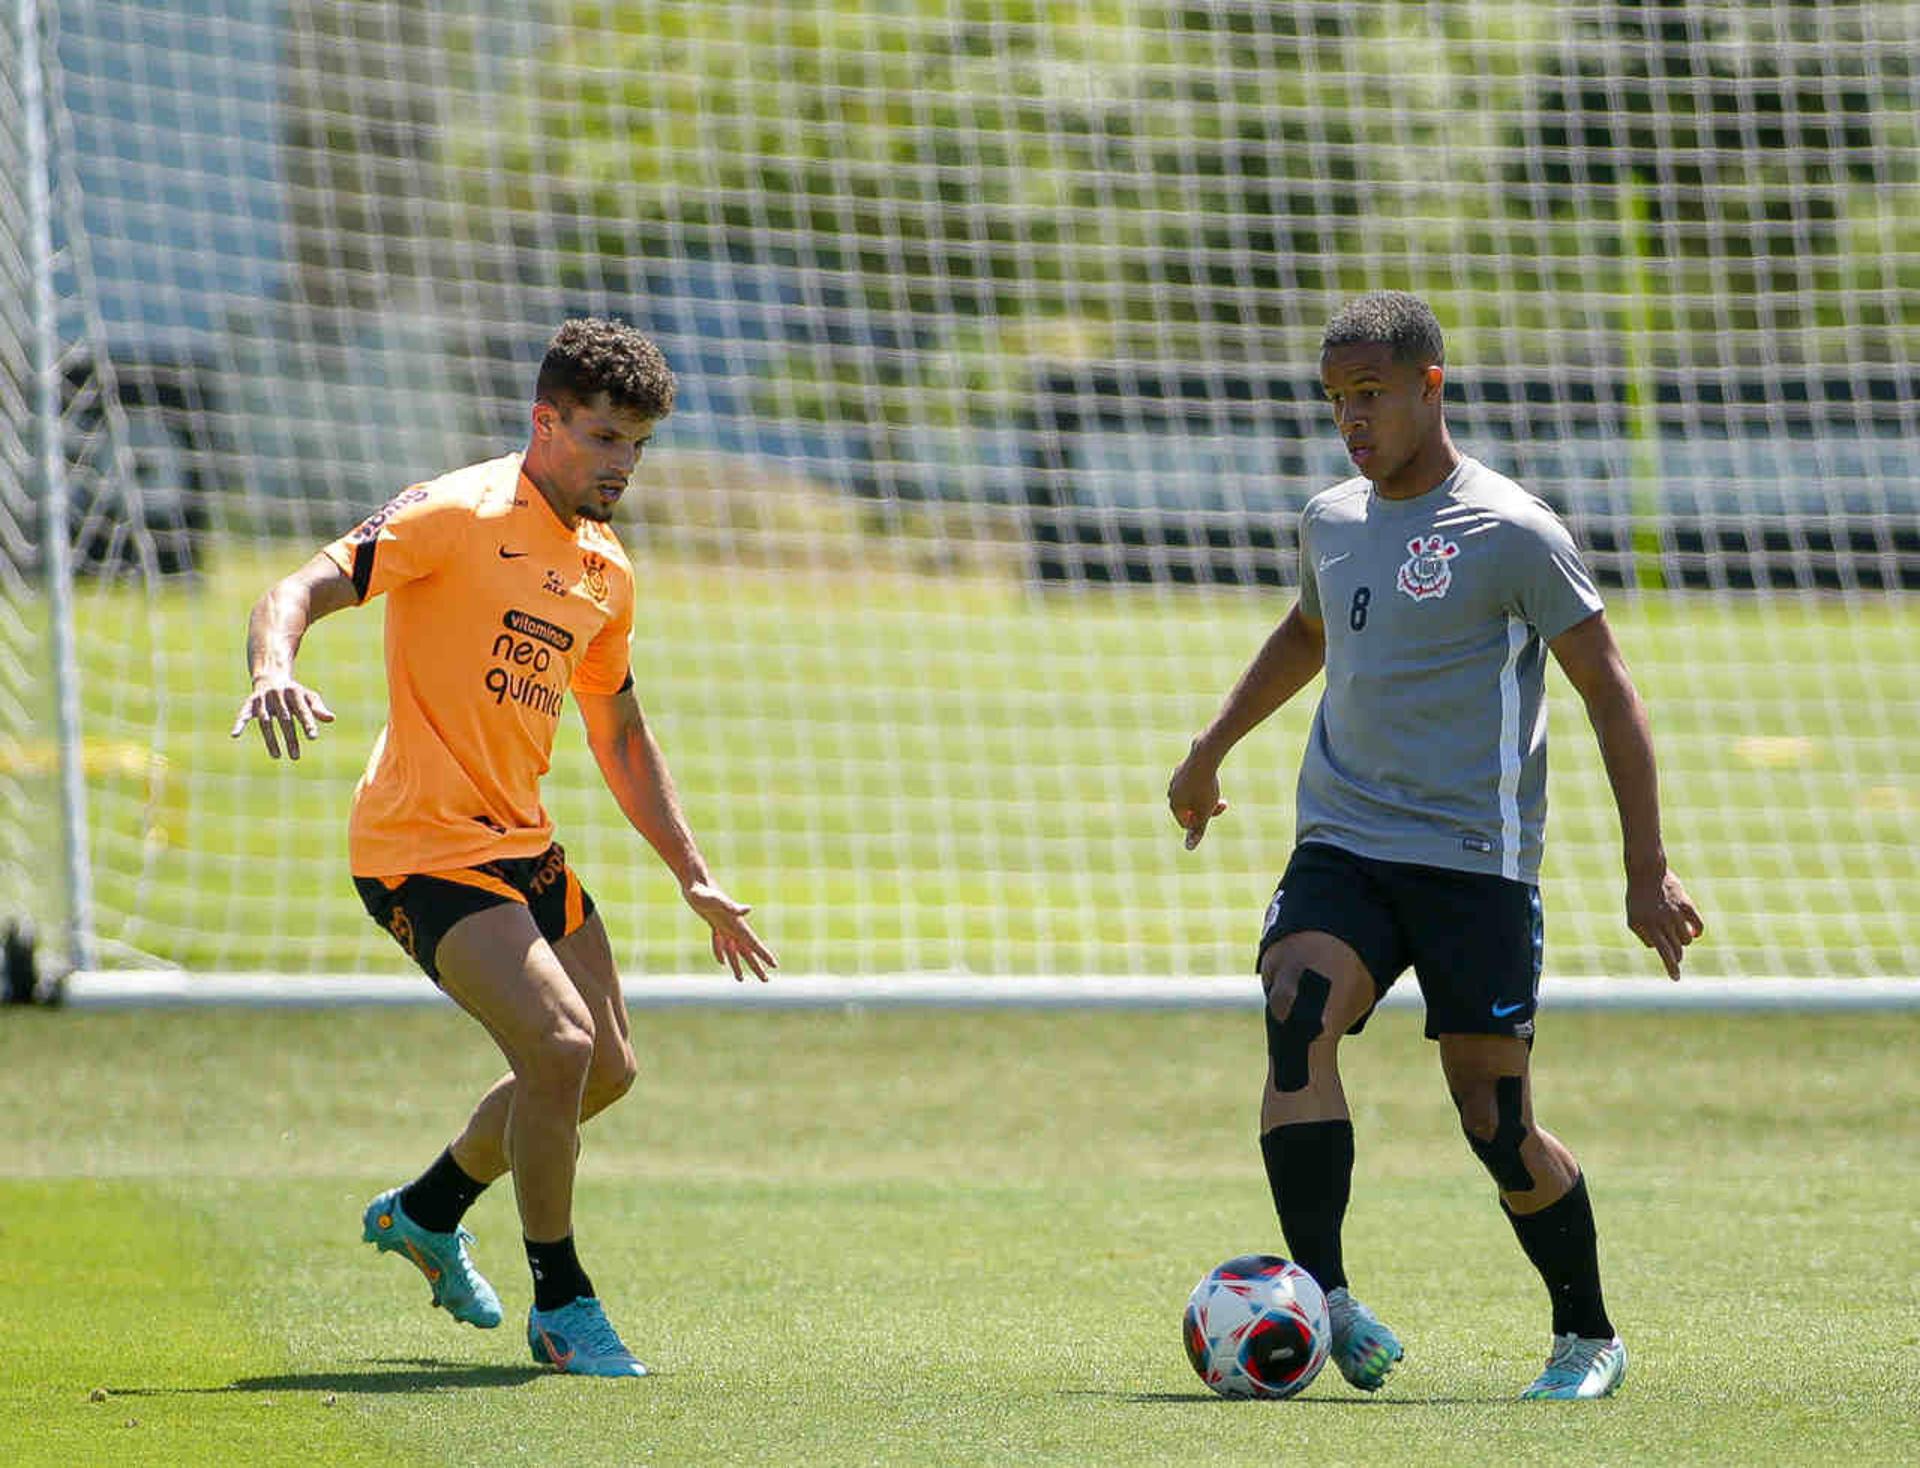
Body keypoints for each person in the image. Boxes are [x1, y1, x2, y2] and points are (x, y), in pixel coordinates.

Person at [1166, 291, 1703, 1400]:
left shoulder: (1511, 529)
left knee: (1494, 1118)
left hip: (1475, 859)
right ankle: (1327, 1295)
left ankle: (1586, 1335)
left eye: (1370, 395)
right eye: (1335, 400)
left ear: (1428, 387)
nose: (1352, 420)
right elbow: (1309, 630)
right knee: (1294, 1010)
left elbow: (1610, 691)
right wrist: (1210, 746)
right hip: (1347, 839)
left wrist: (1645, 867)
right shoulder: (1332, 519)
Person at [231, 317, 777, 1378]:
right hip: (419, 846)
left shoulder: (606, 569)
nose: (622, 465)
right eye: (605, 438)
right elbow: (294, 589)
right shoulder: (457, 512)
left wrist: (694, 874)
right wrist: (271, 666)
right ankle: (563, 1303)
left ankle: (428, 1213)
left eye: (638, 446)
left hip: (522, 846)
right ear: (547, 420)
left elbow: (618, 730)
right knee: (560, 1047)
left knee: (604, 1069)